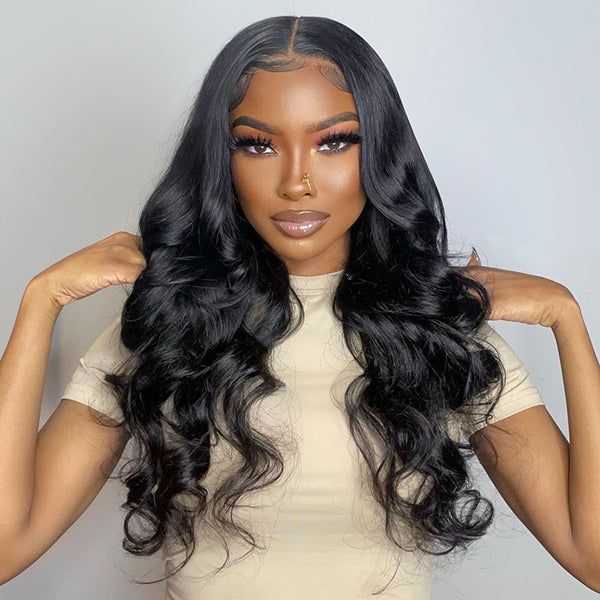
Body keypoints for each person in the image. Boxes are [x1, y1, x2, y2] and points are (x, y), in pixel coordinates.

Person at [1, 14, 599, 600]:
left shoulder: (437, 337)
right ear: (222, 160)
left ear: (379, 152)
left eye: (333, 142)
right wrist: (41, 301)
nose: (296, 182)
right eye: (258, 145)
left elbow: (593, 556)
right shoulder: (168, 327)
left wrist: (568, 321)